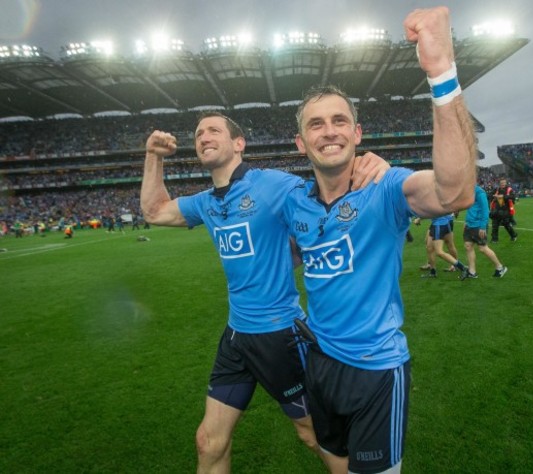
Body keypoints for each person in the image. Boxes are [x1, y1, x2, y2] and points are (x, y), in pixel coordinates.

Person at [282, 7, 476, 472]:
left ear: (357, 133)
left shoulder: (385, 187)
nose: (329, 130)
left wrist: (441, 74)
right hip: (318, 361)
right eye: (316, 124)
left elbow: (456, 191)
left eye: (339, 121)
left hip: (376, 370)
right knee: (333, 464)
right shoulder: (294, 203)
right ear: (300, 143)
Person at [140, 112, 387, 474]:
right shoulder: (206, 202)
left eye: (213, 130)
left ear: (238, 144)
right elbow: (154, 211)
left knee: (313, 434)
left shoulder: (272, 185)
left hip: (279, 336)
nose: (204, 137)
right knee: (209, 441)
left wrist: (369, 165)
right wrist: (153, 155)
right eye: (198, 134)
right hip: (236, 336)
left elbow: (328, 198)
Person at [461, 184, 508, 279]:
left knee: (483, 248)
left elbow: (485, 210)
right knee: (468, 246)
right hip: (469, 224)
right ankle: (472, 272)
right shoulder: (468, 191)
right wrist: (466, 221)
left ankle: (500, 267)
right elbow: (471, 209)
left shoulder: (480, 192)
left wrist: (483, 226)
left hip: (478, 225)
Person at [414, 214, 467, 278]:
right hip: (441, 223)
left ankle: (463, 268)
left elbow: (432, 211)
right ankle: (433, 272)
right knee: (429, 247)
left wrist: (419, 219)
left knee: (439, 252)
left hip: (439, 224)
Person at [490, 177, 517, 242]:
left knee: (506, 224)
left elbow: (513, 197)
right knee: (495, 224)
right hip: (496, 209)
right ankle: (494, 239)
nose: (502, 184)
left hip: (505, 210)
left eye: (504, 183)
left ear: (506, 183)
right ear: (499, 183)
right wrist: (494, 196)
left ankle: (513, 235)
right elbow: (490, 195)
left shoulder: (509, 189)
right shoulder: (497, 189)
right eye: (501, 183)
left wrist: (503, 196)